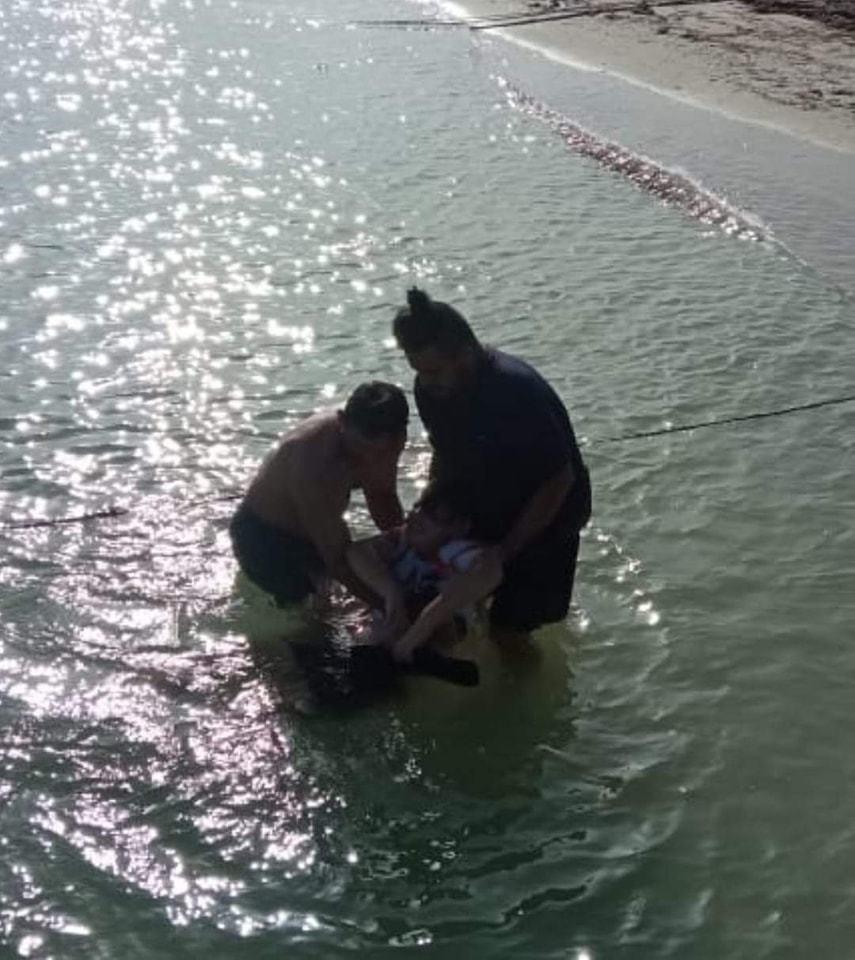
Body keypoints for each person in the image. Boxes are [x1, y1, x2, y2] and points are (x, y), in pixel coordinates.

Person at [392, 287, 592, 642]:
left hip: (548, 517)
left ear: (465, 354)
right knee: (449, 600)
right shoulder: (429, 390)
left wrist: (505, 551)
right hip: (483, 506)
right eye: (418, 371)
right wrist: (429, 508)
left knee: (508, 632)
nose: (426, 382)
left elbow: (559, 479)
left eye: (435, 371)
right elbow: (445, 453)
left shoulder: (517, 391)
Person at [230, 381, 408, 607]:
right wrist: (390, 607)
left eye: (383, 452)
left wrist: (410, 552)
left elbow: (382, 496)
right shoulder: (311, 460)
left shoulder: (390, 437)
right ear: (342, 421)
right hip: (265, 538)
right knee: (317, 622)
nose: (372, 460)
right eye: (362, 450)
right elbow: (338, 561)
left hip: (317, 526)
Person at [347, 479, 502, 661]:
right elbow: (355, 552)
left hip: (435, 636)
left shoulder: (458, 553)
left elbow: (490, 573)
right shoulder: (402, 540)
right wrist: (391, 593)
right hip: (390, 628)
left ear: (460, 528)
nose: (417, 516)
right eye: (418, 507)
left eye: (434, 514)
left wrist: (414, 637)